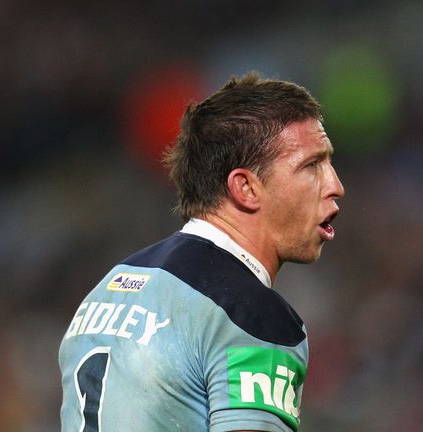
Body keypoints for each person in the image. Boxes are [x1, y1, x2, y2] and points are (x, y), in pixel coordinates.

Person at [58, 72, 345, 432]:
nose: (336, 186)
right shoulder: (249, 314)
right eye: (311, 166)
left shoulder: (109, 289)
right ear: (246, 188)